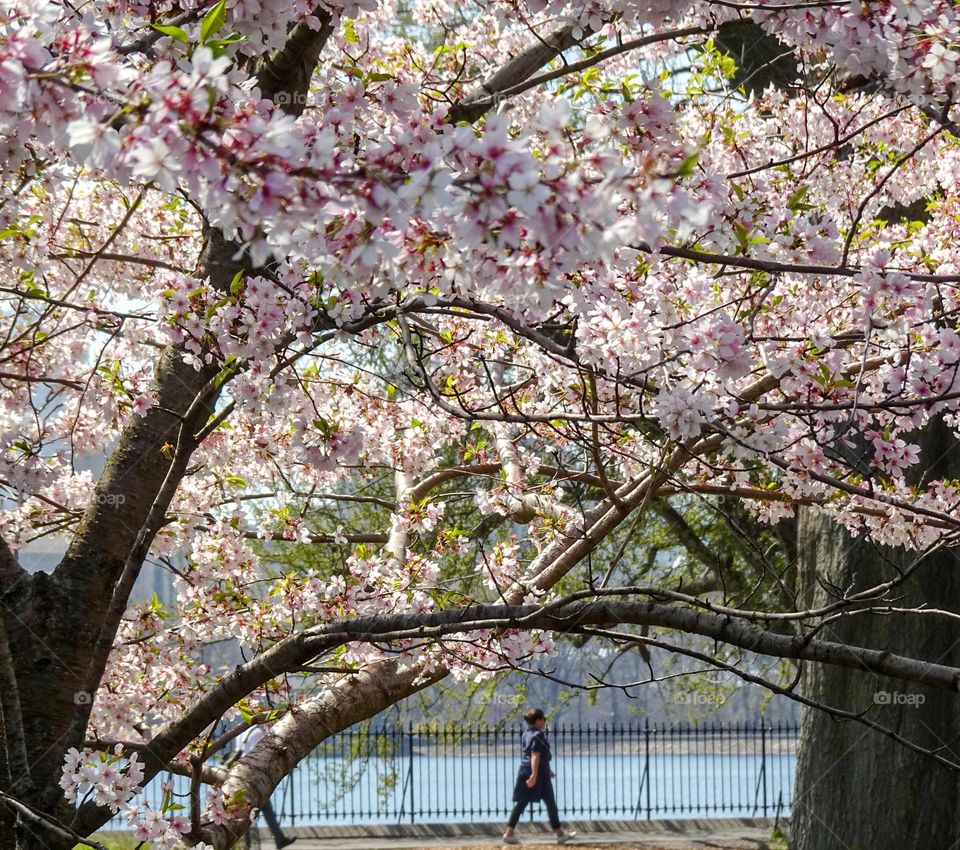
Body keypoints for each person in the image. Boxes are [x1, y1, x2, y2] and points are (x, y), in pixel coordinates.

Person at [503, 708, 575, 845]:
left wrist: (547, 771)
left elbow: (538, 756)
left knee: (545, 803)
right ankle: (509, 833)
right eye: (543, 719)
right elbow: (535, 755)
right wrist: (534, 775)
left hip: (534, 773)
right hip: (534, 774)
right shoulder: (538, 735)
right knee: (527, 803)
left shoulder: (526, 734)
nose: (545, 721)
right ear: (537, 720)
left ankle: (560, 834)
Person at [233, 724, 297, 849]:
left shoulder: (242, 731)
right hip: (254, 776)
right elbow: (259, 757)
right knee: (256, 809)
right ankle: (275, 839)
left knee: (252, 809)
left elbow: (238, 753)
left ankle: (278, 838)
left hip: (240, 774)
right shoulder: (257, 733)